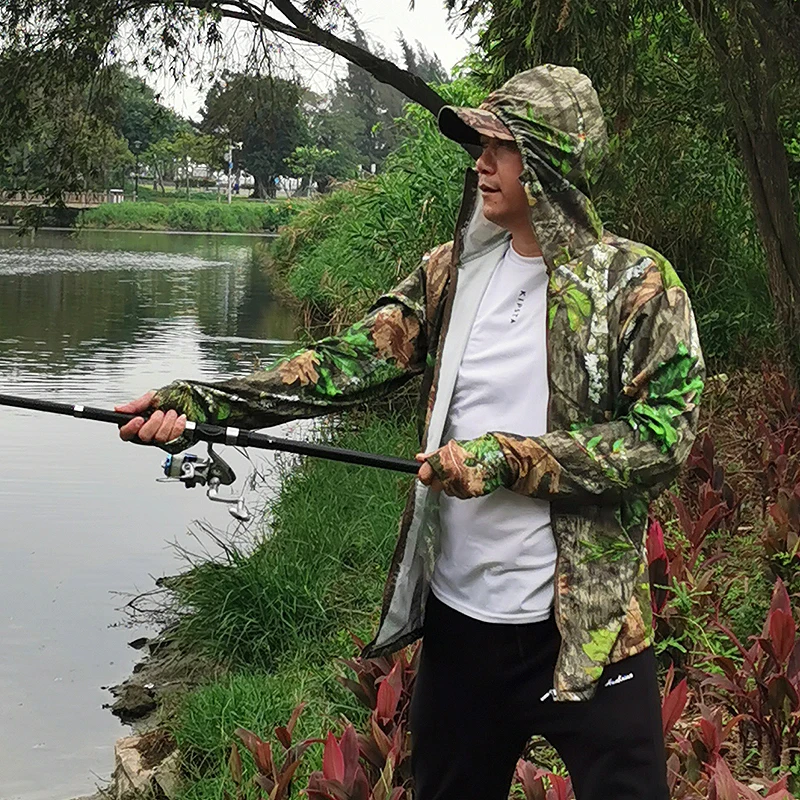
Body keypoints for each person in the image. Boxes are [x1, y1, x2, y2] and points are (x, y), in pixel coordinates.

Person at [117, 65, 704, 799]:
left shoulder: (636, 283)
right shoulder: (449, 273)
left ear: (553, 160)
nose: (480, 161)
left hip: (594, 628)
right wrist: (201, 402)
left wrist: (509, 459)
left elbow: (665, 437)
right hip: (462, 628)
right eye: (477, 143)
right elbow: (343, 364)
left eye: (501, 145)